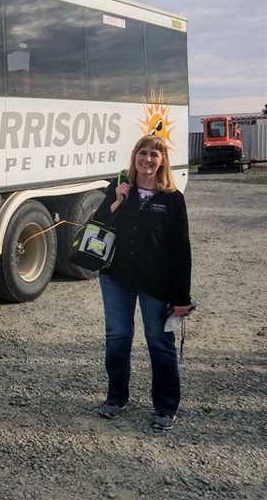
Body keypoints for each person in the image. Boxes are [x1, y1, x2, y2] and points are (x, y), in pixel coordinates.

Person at [92, 135, 192, 431]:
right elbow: (96, 227)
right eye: (143, 153)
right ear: (135, 155)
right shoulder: (119, 188)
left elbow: (180, 250)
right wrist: (117, 201)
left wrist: (181, 297)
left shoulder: (173, 198)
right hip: (116, 278)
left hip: (156, 283)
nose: (148, 159)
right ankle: (116, 398)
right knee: (118, 338)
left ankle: (165, 407)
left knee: (160, 343)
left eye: (155, 155)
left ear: (162, 161)